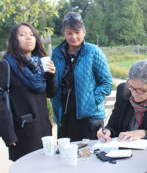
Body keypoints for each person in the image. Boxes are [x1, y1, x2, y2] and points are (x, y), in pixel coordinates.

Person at [97, 60, 147, 173]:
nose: (134, 93)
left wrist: (145, 134)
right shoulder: (123, 90)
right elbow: (114, 125)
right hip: (122, 157)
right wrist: (106, 131)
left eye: (141, 90)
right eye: (131, 87)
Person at [51, 11, 112, 142]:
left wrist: (92, 101)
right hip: (65, 117)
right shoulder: (57, 53)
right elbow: (53, 82)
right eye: (69, 33)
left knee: (91, 157)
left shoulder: (93, 52)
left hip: (90, 119)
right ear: (64, 34)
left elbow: (106, 83)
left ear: (84, 31)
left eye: (77, 32)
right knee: (66, 157)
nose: (73, 37)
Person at [0, 23, 57, 161]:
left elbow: (51, 93)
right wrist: (8, 134)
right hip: (22, 132)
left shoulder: (39, 64)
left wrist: (51, 75)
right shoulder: (6, 65)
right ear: (14, 40)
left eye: (31, 35)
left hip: (44, 129)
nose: (29, 38)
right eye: (22, 35)